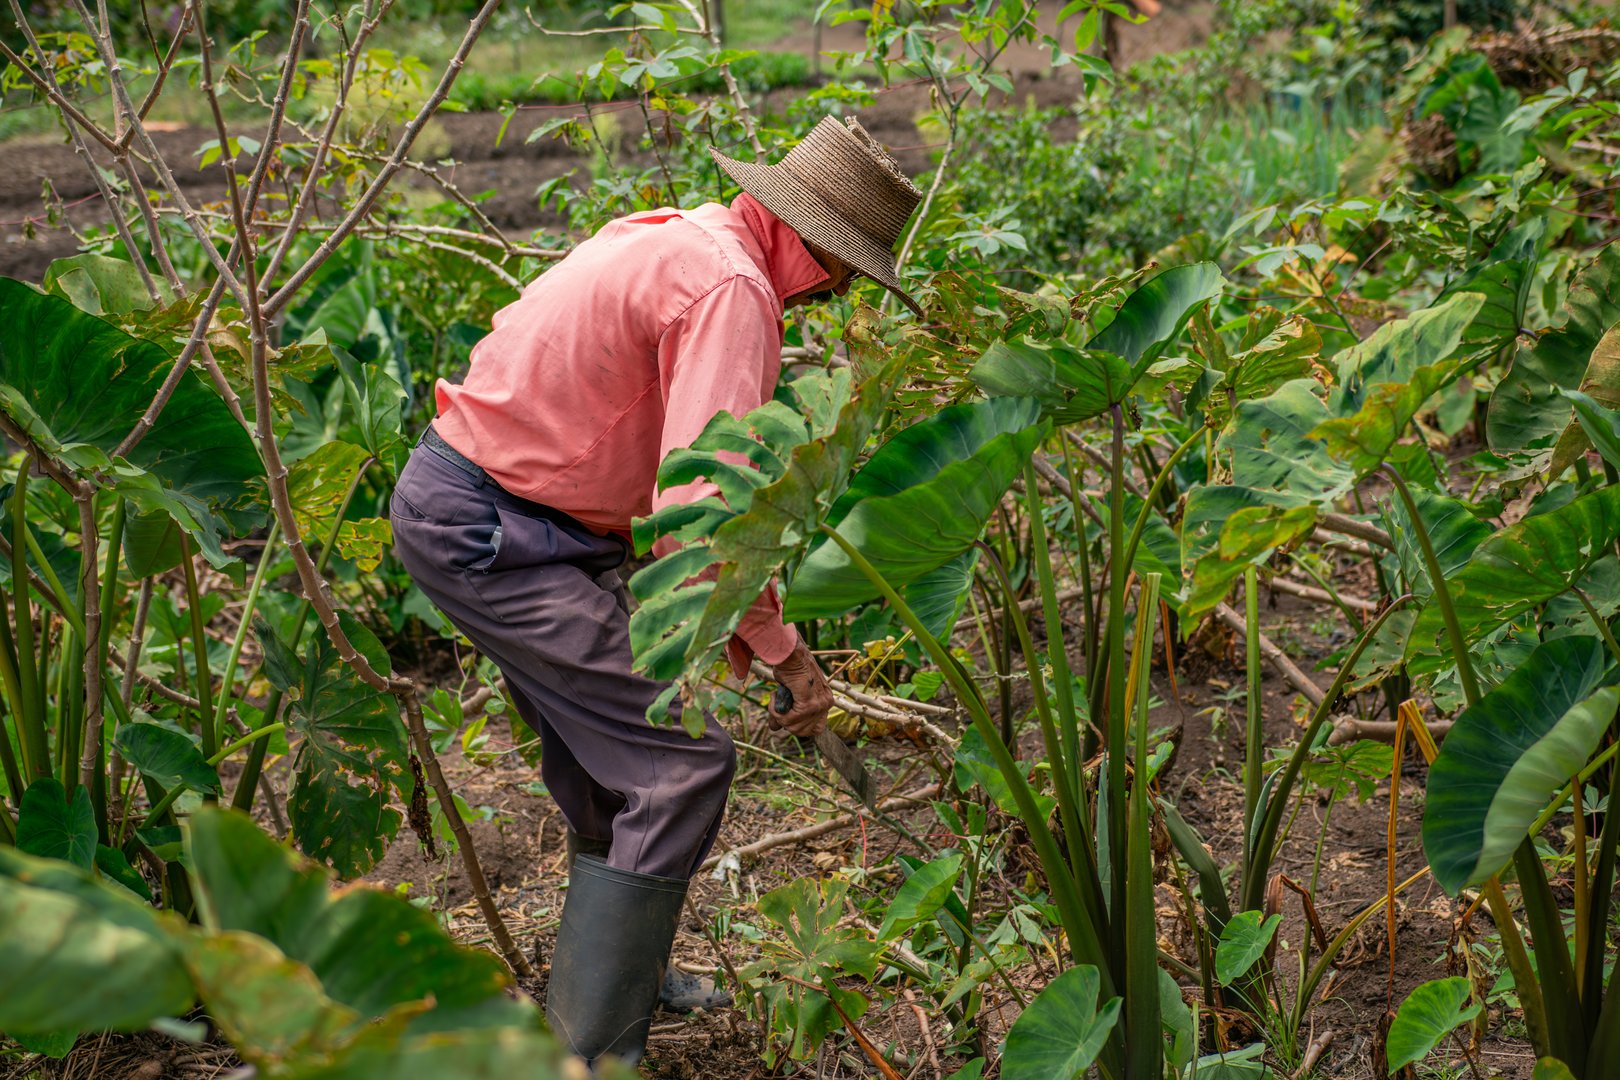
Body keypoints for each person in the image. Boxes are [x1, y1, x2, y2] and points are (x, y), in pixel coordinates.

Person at [387, 115, 923, 1066]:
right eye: (844, 271)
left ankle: (616, 984)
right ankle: (592, 1056)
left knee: (613, 765)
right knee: (682, 762)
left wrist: (716, 627)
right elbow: (710, 506)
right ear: (818, 246)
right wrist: (783, 652)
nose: (837, 296)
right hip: (495, 530)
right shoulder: (733, 288)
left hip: (509, 516)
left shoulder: (682, 234)